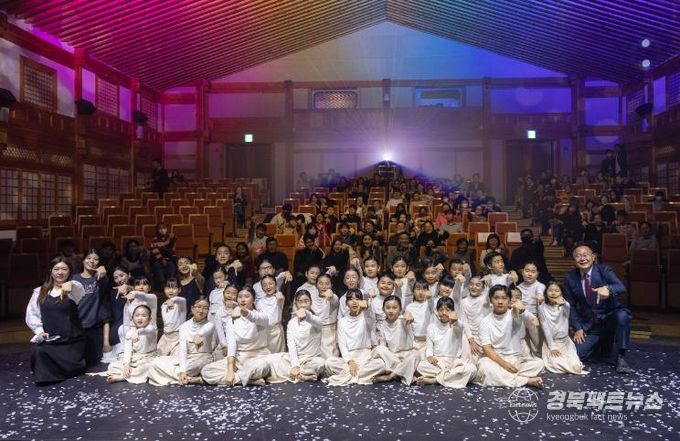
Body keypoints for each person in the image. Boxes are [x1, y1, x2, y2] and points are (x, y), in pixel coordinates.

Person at [563, 243, 633, 374]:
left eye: (585, 255)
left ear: (593, 257)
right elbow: (570, 304)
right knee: (578, 354)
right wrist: (577, 327)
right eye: (578, 256)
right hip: (591, 325)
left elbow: (621, 287)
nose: (582, 258)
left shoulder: (604, 270)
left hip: (610, 319)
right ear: (574, 260)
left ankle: (621, 355)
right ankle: (600, 344)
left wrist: (608, 288)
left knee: (623, 315)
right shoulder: (570, 277)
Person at [26, 257, 87, 385]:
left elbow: (78, 289)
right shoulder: (40, 291)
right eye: (56, 269)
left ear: (69, 271)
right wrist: (39, 332)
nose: (60, 272)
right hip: (52, 339)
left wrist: (71, 284)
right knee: (39, 352)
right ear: (51, 271)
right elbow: (32, 315)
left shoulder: (74, 290)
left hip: (71, 341)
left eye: (64, 269)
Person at [201, 287, 272, 387]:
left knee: (261, 367)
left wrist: (242, 311)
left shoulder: (262, 317)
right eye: (240, 297)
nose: (243, 300)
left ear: (254, 300)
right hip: (239, 359)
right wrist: (230, 371)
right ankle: (249, 380)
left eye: (246, 297)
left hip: (258, 357)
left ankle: (238, 378)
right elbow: (231, 346)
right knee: (207, 371)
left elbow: (254, 317)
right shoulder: (231, 320)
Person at [477, 285, 545, 388]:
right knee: (484, 365)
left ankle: (504, 378)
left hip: (516, 359)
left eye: (504, 298)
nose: (500, 302)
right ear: (490, 300)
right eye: (496, 298)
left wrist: (522, 310)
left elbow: (525, 316)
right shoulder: (485, 322)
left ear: (509, 301)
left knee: (539, 363)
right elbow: (487, 348)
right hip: (496, 361)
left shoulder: (514, 313)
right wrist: (504, 364)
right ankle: (526, 380)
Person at [148, 297, 217, 386]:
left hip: (203, 357)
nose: (201, 310)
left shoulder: (210, 324)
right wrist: (182, 371)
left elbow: (205, 330)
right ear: (192, 308)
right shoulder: (184, 326)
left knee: (191, 367)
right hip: (187, 357)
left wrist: (198, 335)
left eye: (205, 308)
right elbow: (183, 348)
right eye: (198, 307)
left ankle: (180, 377)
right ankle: (190, 379)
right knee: (156, 362)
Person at [325, 289, 388, 386]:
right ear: (346, 303)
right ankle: (363, 377)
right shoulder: (342, 321)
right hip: (349, 357)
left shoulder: (367, 318)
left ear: (362, 302)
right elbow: (342, 344)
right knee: (329, 362)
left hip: (365, 357)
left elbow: (369, 311)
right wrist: (350, 362)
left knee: (381, 364)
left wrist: (367, 303)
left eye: (357, 299)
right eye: (351, 299)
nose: (354, 302)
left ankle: (348, 376)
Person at [415, 297, 477, 388]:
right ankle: (450, 376)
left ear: (453, 311)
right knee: (420, 366)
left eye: (447, 310)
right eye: (441, 310)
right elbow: (429, 349)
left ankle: (434, 380)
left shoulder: (457, 324)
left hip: (455, 362)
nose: (444, 313)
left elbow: (460, 325)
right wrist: (429, 356)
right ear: (437, 311)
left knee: (472, 369)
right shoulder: (431, 327)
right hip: (438, 362)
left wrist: (455, 320)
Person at [537, 282, 588, 375]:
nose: (553, 293)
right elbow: (545, 327)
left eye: (557, 291)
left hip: (565, 342)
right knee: (555, 365)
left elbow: (567, 310)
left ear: (561, 293)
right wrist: (552, 347)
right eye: (550, 290)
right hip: (551, 343)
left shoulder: (566, 305)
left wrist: (563, 304)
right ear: (546, 292)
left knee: (576, 366)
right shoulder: (541, 306)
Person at [71, 250, 111, 368]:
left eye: (95, 259)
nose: (92, 261)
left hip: (93, 326)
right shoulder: (74, 278)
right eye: (88, 258)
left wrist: (102, 277)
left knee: (94, 362)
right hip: (76, 325)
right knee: (76, 361)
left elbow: (105, 290)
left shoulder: (100, 278)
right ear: (83, 260)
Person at [372, 295, 420, 385]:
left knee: (415, 354)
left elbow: (409, 317)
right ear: (383, 309)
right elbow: (383, 346)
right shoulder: (383, 325)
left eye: (394, 308)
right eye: (388, 308)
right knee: (378, 349)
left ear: (400, 310)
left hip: (407, 354)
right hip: (393, 357)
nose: (391, 311)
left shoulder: (404, 320)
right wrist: (393, 356)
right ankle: (403, 370)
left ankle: (390, 376)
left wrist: (408, 313)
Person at [106, 303, 157, 384]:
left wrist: (138, 332)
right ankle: (129, 374)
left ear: (149, 319)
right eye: (137, 315)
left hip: (148, 358)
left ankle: (122, 377)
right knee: (112, 365)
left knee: (146, 368)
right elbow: (128, 350)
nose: (140, 318)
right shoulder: (130, 333)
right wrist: (126, 364)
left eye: (144, 316)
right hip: (135, 358)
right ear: (132, 318)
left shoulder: (151, 329)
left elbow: (146, 331)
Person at [157, 279, 187, 356]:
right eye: (168, 288)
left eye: (174, 288)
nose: (170, 291)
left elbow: (182, 299)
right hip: (166, 336)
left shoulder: (181, 304)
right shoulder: (163, 305)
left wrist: (173, 300)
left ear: (179, 290)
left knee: (176, 358)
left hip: (178, 337)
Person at [149, 223, 176, 290]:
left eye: (164, 228)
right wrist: (162, 260)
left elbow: (172, 250)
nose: (162, 230)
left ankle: (170, 284)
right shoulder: (154, 239)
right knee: (157, 265)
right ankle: (162, 284)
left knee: (171, 264)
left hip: (168, 258)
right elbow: (155, 251)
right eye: (160, 228)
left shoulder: (169, 237)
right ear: (157, 230)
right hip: (157, 259)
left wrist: (172, 240)